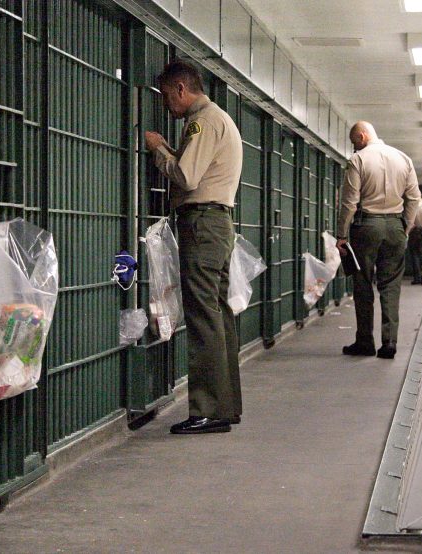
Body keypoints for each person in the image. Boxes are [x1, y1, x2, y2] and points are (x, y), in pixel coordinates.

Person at [145, 60, 243, 434]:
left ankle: (207, 410)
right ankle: (224, 406)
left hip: (202, 224)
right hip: (216, 225)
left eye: (169, 96)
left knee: (203, 317)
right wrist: (170, 149)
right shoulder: (220, 119)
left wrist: (157, 149)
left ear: (183, 89)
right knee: (218, 316)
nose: (168, 105)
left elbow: (186, 176)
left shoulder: (202, 121)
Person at [336, 121, 421, 359]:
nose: (354, 148)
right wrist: (405, 225)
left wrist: (342, 235)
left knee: (363, 285)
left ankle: (365, 341)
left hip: (366, 226)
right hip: (395, 225)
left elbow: (350, 202)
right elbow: (414, 197)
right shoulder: (403, 158)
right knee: (391, 286)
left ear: (362, 136)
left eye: (355, 143)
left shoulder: (358, 160)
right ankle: (389, 343)